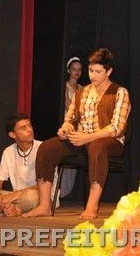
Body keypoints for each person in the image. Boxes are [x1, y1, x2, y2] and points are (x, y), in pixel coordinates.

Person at [23, 48, 131, 220]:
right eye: (90, 71)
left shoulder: (119, 92)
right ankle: (44, 205)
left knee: (96, 147)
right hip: (82, 139)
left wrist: (87, 137)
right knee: (46, 148)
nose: (93, 75)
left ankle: (92, 206)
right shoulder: (82, 92)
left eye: (98, 72)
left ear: (109, 71)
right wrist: (65, 129)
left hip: (109, 141)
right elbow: (70, 119)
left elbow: (116, 128)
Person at [0, 114, 48, 216]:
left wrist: (20, 193)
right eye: (23, 128)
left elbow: (46, 183)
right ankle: (12, 209)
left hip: (39, 195)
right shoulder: (8, 151)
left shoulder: (44, 148)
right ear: (12, 135)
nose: (29, 130)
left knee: (31, 197)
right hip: (15, 197)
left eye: (29, 125)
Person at [60, 56, 83, 198]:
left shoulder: (82, 88)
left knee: (74, 158)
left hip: (78, 126)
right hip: (66, 124)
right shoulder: (65, 86)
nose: (77, 72)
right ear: (69, 70)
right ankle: (59, 191)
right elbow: (70, 107)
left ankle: (65, 191)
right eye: (74, 69)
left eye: (79, 69)